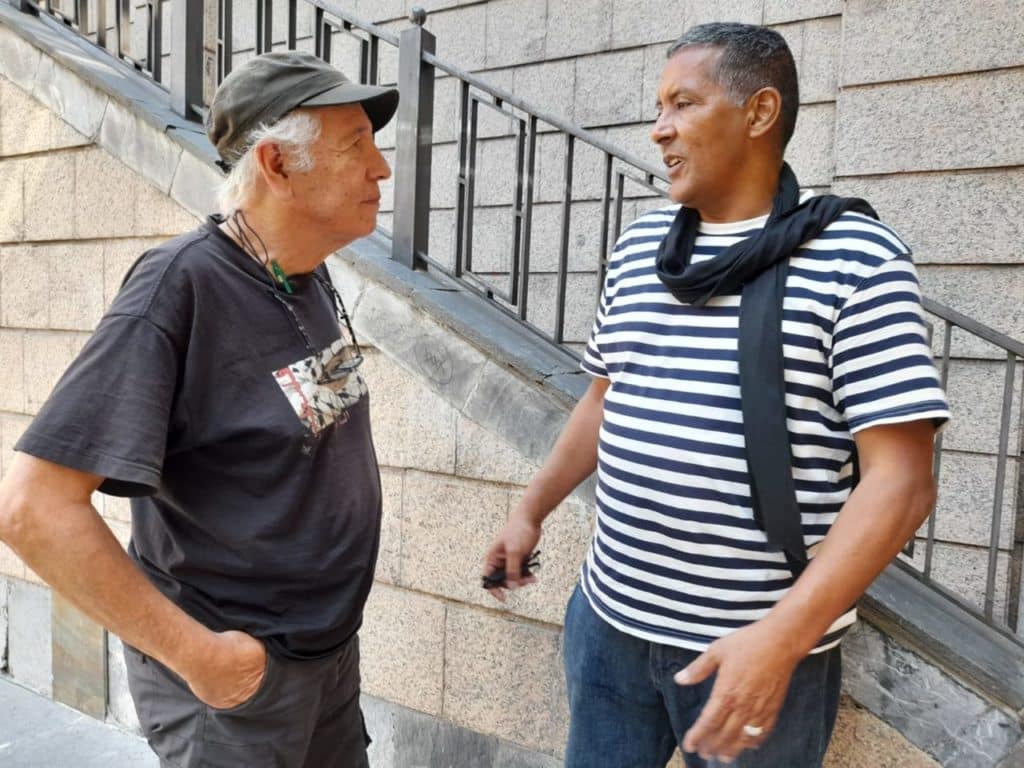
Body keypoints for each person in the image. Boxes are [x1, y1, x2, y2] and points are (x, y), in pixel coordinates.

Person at [483, 22, 949, 768]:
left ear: (759, 113)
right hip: (609, 623)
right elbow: (604, 399)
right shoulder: (641, 247)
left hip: (757, 651)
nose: (658, 129)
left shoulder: (855, 258)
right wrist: (530, 510)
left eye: (683, 104)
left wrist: (781, 640)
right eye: (658, 107)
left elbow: (903, 480)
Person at [0, 51, 397, 767]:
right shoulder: (180, 287)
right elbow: (34, 509)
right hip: (239, 686)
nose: (382, 169)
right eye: (355, 145)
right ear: (277, 164)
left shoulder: (302, 274)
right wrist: (204, 659)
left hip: (327, 662)